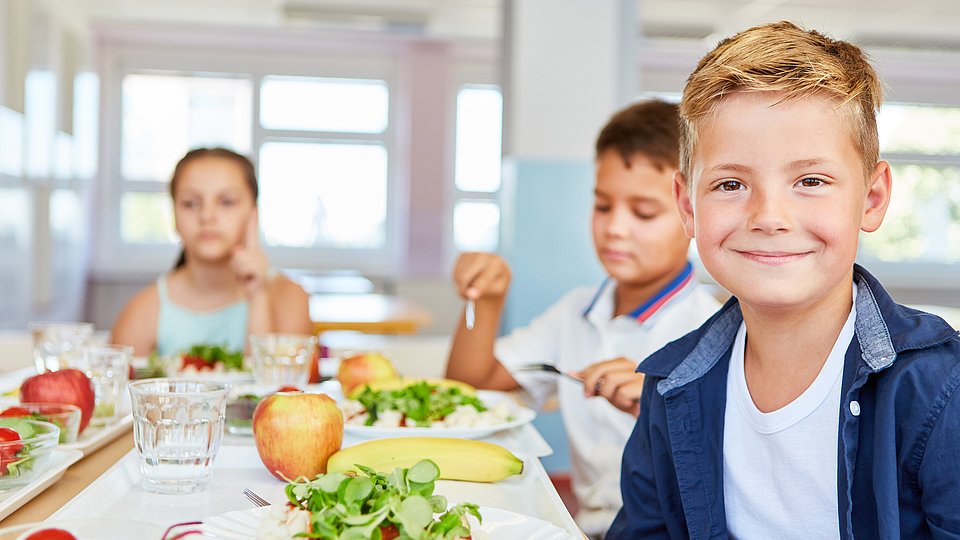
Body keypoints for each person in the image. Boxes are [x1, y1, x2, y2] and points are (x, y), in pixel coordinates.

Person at [608, 21, 960, 539]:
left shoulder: (939, 389)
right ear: (688, 206)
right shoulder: (668, 388)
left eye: (810, 181)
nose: (769, 216)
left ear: (872, 198)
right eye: (731, 184)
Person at [445, 100, 721, 537]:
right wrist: (486, 301)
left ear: (691, 212)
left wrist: (657, 411)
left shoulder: (714, 332)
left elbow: (730, 479)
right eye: (603, 206)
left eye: (644, 212)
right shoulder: (574, 311)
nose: (615, 228)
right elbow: (467, 390)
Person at [111, 148, 313, 357]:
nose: (207, 216)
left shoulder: (290, 298)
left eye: (227, 202)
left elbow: (280, 388)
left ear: (253, 214)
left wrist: (258, 296)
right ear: (174, 216)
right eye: (190, 203)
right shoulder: (143, 311)